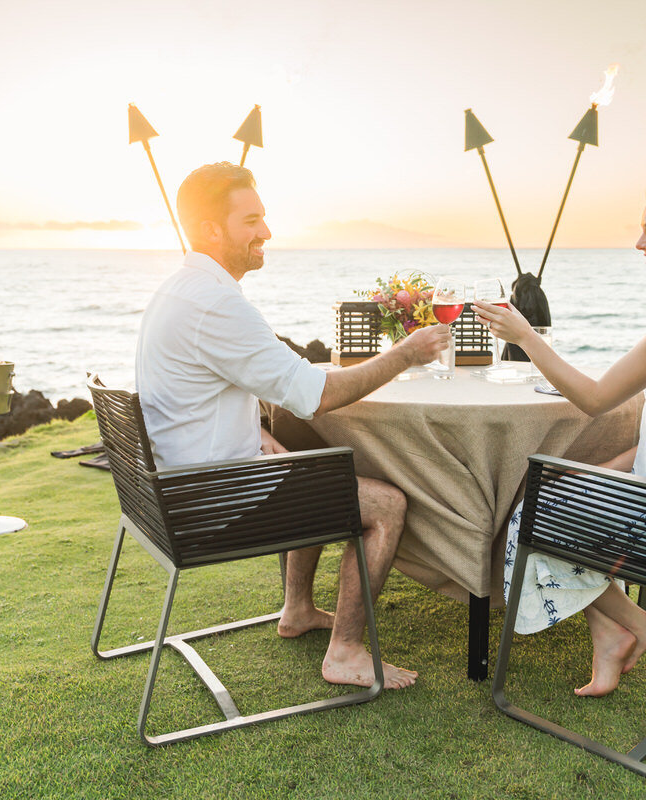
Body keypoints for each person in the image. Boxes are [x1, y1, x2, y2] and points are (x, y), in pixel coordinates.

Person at [135, 162, 449, 690]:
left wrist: (257, 437)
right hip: (209, 503)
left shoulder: (179, 290)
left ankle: (297, 609)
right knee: (386, 505)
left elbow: (196, 396)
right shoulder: (214, 302)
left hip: (176, 488)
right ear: (212, 229)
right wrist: (405, 353)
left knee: (306, 464)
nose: (267, 233)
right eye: (251, 220)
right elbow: (317, 396)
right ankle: (345, 653)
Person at [473, 174, 646, 697]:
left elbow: (597, 399)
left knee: (533, 514)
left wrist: (525, 337)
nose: (639, 243)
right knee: (565, 493)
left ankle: (637, 624)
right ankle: (609, 636)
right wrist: (611, 468)